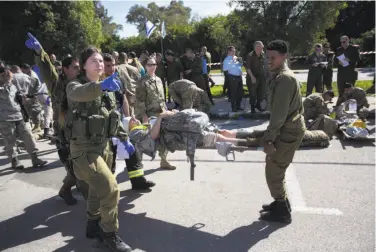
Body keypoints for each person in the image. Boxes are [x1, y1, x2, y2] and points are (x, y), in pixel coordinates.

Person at [65, 46, 132, 251]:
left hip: (103, 146)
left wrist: (124, 137)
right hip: (84, 150)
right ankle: (109, 234)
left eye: (101, 61)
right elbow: (81, 94)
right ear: (84, 66)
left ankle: (92, 224)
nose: (100, 64)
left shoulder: (108, 88)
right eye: (94, 61)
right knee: (111, 189)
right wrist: (101, 86)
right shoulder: (75, 86)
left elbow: (112, 115)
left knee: (96, 189)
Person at [26, 32, 86, 205]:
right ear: (65, 69)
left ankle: (82, 189)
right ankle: (65, 190)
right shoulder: (57, 84)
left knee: (85, 165)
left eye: (78, 66)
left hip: (82, 129)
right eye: (74, 67)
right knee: (74, 168)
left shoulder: (82, 82)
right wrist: (40, 52)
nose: (77, 69)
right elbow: (46, 69)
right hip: (64, 133)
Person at [259, 40, 305, 223]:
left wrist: (268, 139)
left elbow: (278, 115)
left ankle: (283, 212)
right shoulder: (278, 75)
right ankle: (280, 203)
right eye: (267, 57)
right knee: (275, 167)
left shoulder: (284, 78)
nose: (269, 61)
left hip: (288, 131)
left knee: (273, 171)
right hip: (287, 128)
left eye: (273, 57)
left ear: (284, 56)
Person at [102, 54, 155, 190]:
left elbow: (124, 98)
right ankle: (105, 188)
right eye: (108, 65)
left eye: (113, 64)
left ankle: (138, 181)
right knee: (110, 156)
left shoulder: (118, 79)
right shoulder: (97, 83)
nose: (112, 68)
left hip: (120, 123)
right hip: (105, 126)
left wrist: (129, 117)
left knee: (132, 150)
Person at [0, 65, 47, 169]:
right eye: (3, 75)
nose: (6, 77)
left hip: (19, 115)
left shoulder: (12, 85)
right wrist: (7, 83)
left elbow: (16, 97)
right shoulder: (4, 86)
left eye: (7, 74)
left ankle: (35, 158)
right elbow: (5, 95)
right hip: (5, 119)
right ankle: (14, 161)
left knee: (28, 136)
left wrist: (23, 98)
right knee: (10, 141)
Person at [135, 56, 176, 170]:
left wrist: (166, 110)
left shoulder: (158, 79)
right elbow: (140, 100)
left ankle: (163, 160)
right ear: (145, 66)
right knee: (145, 139)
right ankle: (137, 162)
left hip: (161, 113)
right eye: (149, 65)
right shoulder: (142, 81)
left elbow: (161, 97)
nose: (152, 67)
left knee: (164, 137)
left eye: (154, 65)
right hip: (149, 114)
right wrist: (144, 116)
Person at [334, 35, 361, 103]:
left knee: (350, 91)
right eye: (341, 42)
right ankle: (339, 107)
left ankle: (351, 106)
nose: (342, 43)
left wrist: (349, 60)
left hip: (350, 72)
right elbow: (335, 61)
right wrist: (339, 62)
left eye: (344, 41)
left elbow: (358, 59)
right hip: (341, 73)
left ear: (348, 40)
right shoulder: (339, 49)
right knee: (341, 90)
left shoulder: (353, 48)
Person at [246, 41, 268, 113]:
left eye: (261, 46)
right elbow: (248, 68)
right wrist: (252, 77)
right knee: (252, 93)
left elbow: (265, 65)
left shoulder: (263, 54)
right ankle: (252, 108)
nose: (260, 48)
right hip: (253, 76)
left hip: (261, 77)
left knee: (261, 92)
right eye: (258, 47)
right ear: (255, 47)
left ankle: (258, 105)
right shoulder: (250, 55)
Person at [223, 46, 243, 112]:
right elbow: (225, 69)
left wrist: (240, 62)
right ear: (229, 51)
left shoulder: (236, 57)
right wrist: (232, 62)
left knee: (240, 93)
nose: (234, 52)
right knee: (233, 93)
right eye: (233, 51)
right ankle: (233, 107)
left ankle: (238, 106)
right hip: (233, 77)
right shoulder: (226, 60)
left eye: (235, 51)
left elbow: (239, 65)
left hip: (239, 77)